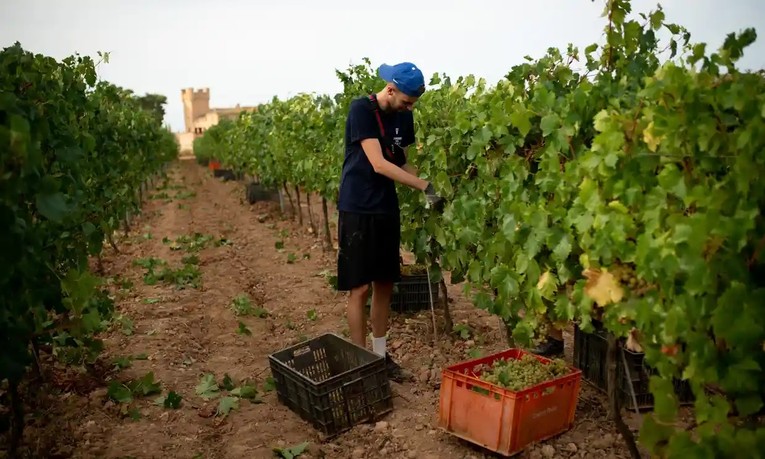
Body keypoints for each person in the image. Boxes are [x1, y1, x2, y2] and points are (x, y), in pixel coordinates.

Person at [336, 62, 442, 383]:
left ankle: (380, 357)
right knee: (360, 287)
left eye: (413, 104)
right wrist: (423, 186)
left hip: (385, 207)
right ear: (391, 89)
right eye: (406, 101)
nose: (409, 108)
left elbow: (402, 161)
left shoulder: (404, 116)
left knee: (384, 283)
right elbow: (379, 164)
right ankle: (359, 362)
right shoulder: (361, 110)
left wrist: (430, 189)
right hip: (357, 207)